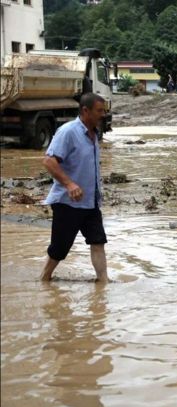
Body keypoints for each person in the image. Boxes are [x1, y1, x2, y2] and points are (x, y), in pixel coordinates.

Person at [40, 93, 109, 282]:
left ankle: (103, 283)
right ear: (85, 111)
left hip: (90, 202)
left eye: (104, 110)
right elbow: (49, 161)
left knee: (98, 242)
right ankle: (44, 278)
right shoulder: (68, 132)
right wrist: (69, 184)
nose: (103, 114)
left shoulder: (94, 133)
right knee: (59, 249)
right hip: (68, 202)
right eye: (99, 111)